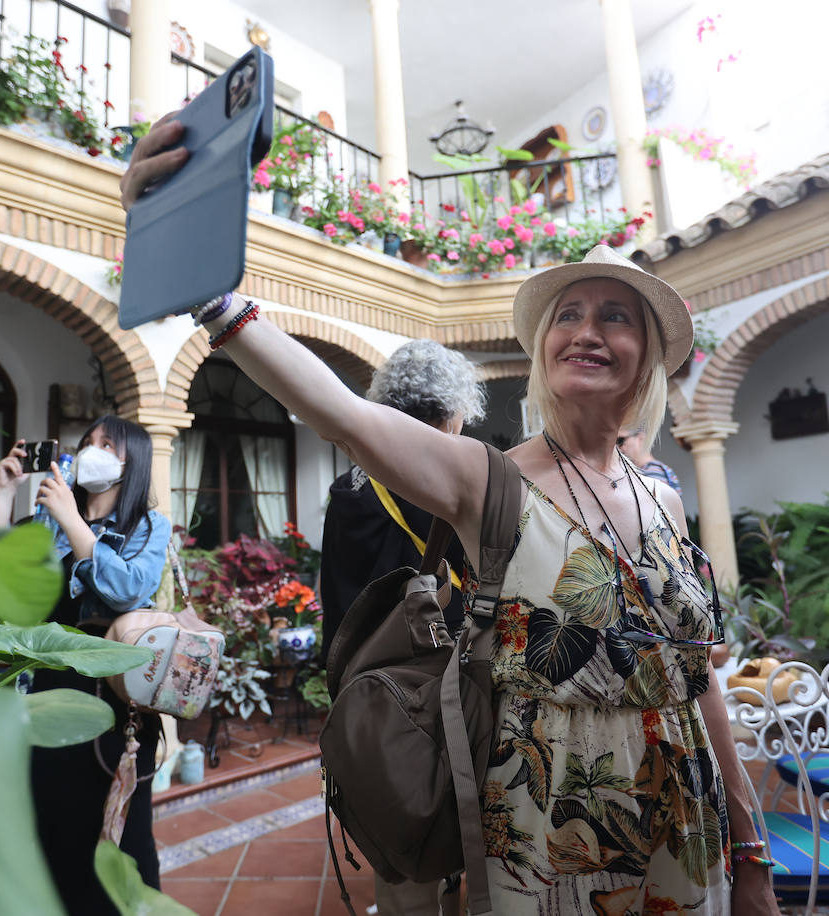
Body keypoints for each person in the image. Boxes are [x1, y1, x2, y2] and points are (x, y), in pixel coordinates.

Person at [123, 117, 779, 915]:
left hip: (684, 816)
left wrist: (750, 851)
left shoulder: (663, 496)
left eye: (615, 316)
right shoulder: (488, 480)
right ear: (542, 351)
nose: (586, 331)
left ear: (647, 356)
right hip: (550, 826)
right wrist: (208, 293)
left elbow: (698, 676)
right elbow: (343, 414)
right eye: (567, 315)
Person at [318, 339, 486, 916]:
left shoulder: (349, 492)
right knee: (472, 815)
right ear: (449, 412)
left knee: (398, 814)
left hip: (371, 678)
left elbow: (335, 593)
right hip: (450, 676)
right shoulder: (456, 485)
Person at [0, 417, 172, 912]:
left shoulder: (148, 527)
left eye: (106, 444)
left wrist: (73, 520)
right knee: (53, 832)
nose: (92, 451)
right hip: (45, 701)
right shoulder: (45, 522)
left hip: (114, 707)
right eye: (87, 443)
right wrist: (5, 494)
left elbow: (128, 588)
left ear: (131, 460)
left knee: (120, 839)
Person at [320, 339, 486, 661]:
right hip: (441, 654)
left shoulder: (349, 484)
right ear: (453, 410)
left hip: (366, 659)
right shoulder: (458, 480)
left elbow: (335, 584)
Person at [618, 426, 683, 495]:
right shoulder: (653, 470)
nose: (616, 447)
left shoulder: (652, 472)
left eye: (620, 440)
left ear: (640, 438)